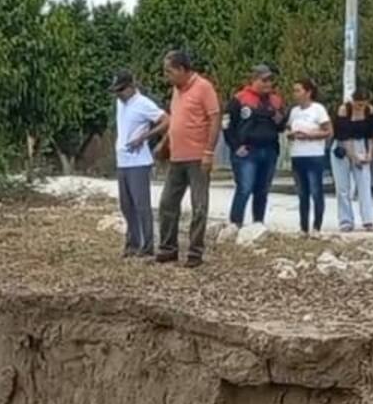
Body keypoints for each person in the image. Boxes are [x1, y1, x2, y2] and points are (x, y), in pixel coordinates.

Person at [156, 51, 221, 268]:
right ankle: (168, 249)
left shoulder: (204, 87)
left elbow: (214, 118)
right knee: (167, 203)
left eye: (170, 71)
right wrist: (164, 143)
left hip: (197, 157)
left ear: (183, 69)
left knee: (199, 206)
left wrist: (209, 152)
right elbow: (176, 119)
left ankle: (195, 253)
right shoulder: (177, 90)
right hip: (177, 157)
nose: (167, 76)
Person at [110, 70, 168, 257]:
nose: (118, 94)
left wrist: (145, 136)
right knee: (126, 205)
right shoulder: (120, 102)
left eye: (121, 90)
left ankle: (147, 245)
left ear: (131, 87)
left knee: (141, 205)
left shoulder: (143, 103)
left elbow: (166, 120)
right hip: (123, 160)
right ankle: (132, 243)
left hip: (138, 161)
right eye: (116, 90)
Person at [225, 64, 287, 226]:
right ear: (253, 80)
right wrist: (236, 146)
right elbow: (227, 126)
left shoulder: (275, 100)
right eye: (264, 80)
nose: (268, 84)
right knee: (244, 188)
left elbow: (281, 126)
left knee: (262, 191)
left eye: (270, 80)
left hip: (269, 150)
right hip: (247, 152)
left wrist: (278, 117)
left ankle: (258, 224)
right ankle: (235, 224)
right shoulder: (239, 99)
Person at [287, 78, 332, 235]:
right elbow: (288, 129)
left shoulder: (318, 109)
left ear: (308, 92)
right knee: (302, 193)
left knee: (315, 190)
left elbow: (328, 131)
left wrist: (310, 135)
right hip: (298, 155)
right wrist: (291, 135)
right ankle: (303, 227)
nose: (295, 94)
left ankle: (317, 226)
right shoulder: (294, 112)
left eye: (298, 90)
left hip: (314, 155)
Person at [332, 88, 373, 232]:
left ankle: (368, 221)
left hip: (361, 144)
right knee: (343, 187)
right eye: (358, 104)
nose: (360, 107)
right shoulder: (344, 110)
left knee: (364, 184)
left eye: (363, 104)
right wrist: (353, 157)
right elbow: (344, 135)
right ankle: (346, 221)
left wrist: (370, 153)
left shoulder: (369, 111)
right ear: (353, 101)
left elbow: (371, 134)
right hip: (343, 146)